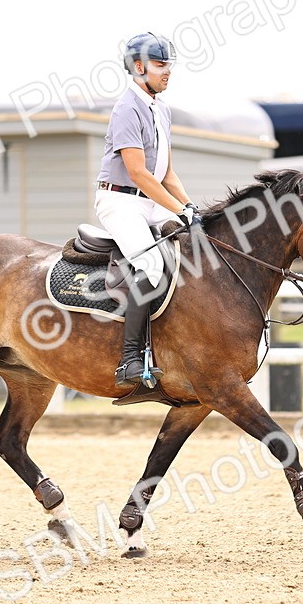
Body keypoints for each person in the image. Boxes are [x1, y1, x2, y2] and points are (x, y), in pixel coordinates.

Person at [95, 32, 199, 387]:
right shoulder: (126, 108)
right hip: (120, 200)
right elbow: (138, 173)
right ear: (138, 68)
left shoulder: (162, 109)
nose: (167, 71)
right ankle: (129, 360)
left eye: (169, 65)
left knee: (197, 247)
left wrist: (189, 208)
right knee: (151, 265)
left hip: (150, 201)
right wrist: (177, 209)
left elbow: (166, 172)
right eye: (160, 65)